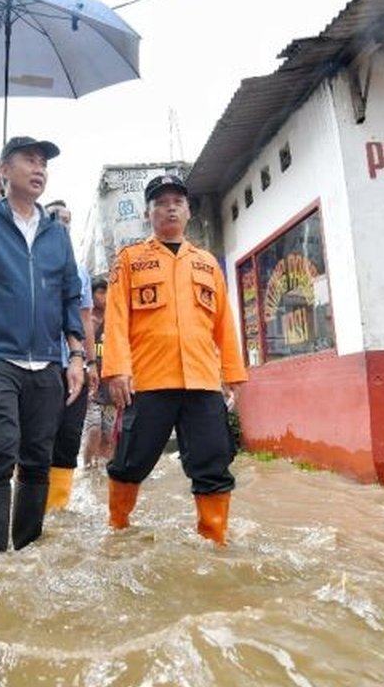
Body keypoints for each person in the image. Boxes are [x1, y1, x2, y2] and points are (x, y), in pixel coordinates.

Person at [0, 136, 86, 556]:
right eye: (29, 159)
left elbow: (68, 298)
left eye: (43, 162)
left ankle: (25, 555)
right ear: (3, 169)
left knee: (38, 458)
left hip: (46, 363)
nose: (39, 168)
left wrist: (76, 355)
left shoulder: (56, 234)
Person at [102, 174, 247, 545]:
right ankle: (118, 529)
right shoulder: (130, 261)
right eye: (161, 202)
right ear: (148, 212)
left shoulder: (207, 264)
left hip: (202, 382)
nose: (170, 207)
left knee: (213, 463)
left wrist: (233, 373)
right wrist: (117, 370)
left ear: (188, 211)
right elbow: (116, 319)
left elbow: (224, 323)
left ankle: (215, 540)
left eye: (177, 201)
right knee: (130, 462)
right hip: (148, 381)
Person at [42, 200, 97, 511]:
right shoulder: (28, 260)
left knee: (69, 435)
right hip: (38, 366)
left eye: (67, 219)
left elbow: (85, 318)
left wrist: (91, 362)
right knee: (36, 437)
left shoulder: (79, 271)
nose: (61, 223)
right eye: (54, 217)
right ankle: (30, 503)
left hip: (74, 366)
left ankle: (57, 509)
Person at [81, 277, 116, 468]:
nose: (105, 297)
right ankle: (87, 469)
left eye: (107, 292)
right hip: (91, 387)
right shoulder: (87, 322)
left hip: (110, 387)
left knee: (108, 435)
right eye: (101, 292)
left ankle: (103, 475)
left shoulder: (114, 321)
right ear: (91, 296)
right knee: (94, 430)